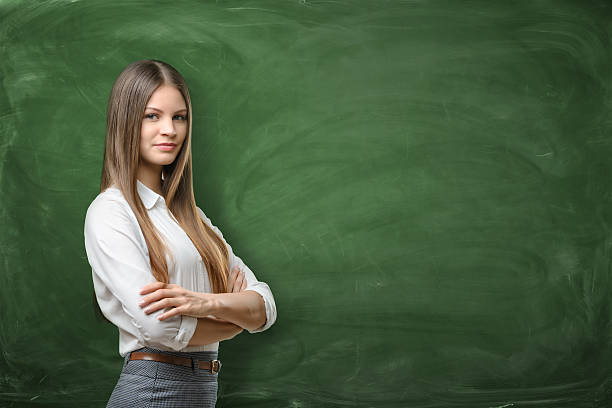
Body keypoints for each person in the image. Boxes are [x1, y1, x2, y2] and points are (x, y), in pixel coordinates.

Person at [83, 59, 277, 407]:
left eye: (179, 117)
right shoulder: (111, 212)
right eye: (151, 116)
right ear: (125, 122)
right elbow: (158, 329)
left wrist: (207, 303)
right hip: (153, 390)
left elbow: (264, 306)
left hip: (200, 390)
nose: (170, 130)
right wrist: (234, 323)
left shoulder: (193, 219)